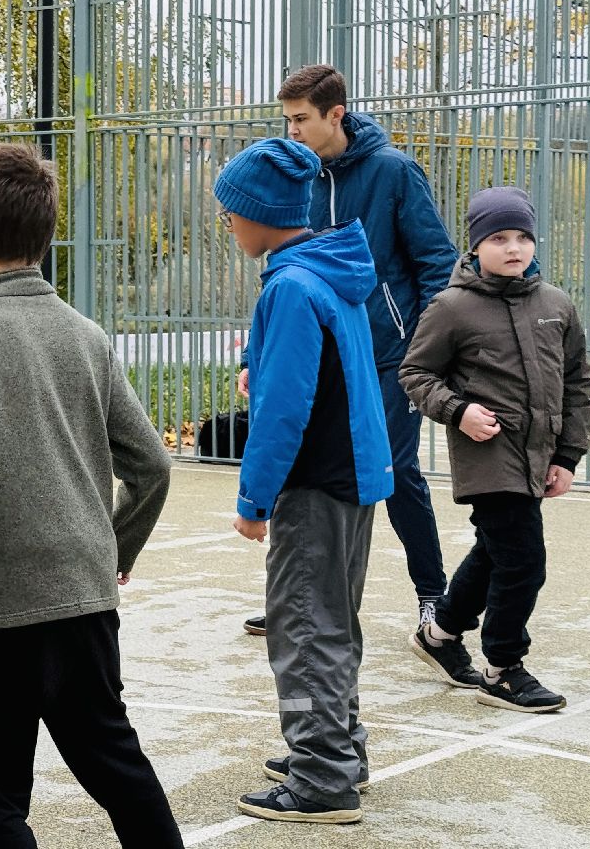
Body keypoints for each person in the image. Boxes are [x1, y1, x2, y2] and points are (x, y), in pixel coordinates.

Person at [0, 142, 183, 848]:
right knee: (116, 766)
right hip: (84, 595)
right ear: (45, 234)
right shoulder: (86, 336)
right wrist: (113, 548)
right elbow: (151, 465)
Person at [240, 65, 457, 637]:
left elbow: (437, 264)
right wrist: (251, 357)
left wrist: (423, 350)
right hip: (323, 355)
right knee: (307, 468)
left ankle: (434, 596)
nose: (292, 131)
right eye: (286, 120)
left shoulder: (393, 172)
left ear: (336, 114)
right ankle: (299, 594)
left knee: (396, 467)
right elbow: (281, 270)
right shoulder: (299, 178)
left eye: (301, 119)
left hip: (390, 356)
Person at [217, 138, 393, 825]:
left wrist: (253, 499)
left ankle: (321, 779)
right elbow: (317, 378)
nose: (228, 225)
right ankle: (338, 747)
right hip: (351, 476)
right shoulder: (327, 272)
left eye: (231, 213)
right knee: (332, 621)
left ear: (259, 213)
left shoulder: (290, 286)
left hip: (314, 484)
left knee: (301, 627)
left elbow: (285, 412)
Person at [400, 187, 590, 712]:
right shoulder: (452, 307)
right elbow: (415, 373)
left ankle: (438, 633)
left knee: (495, 553)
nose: (514, 248)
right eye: (499, 238)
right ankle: (504, 668)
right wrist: (459, 410)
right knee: (525, 561)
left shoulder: (556, 304)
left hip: (540, 453)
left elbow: (578, 382)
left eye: (523, 237)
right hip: (487, 455)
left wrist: (567, 457)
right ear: (476, 245)